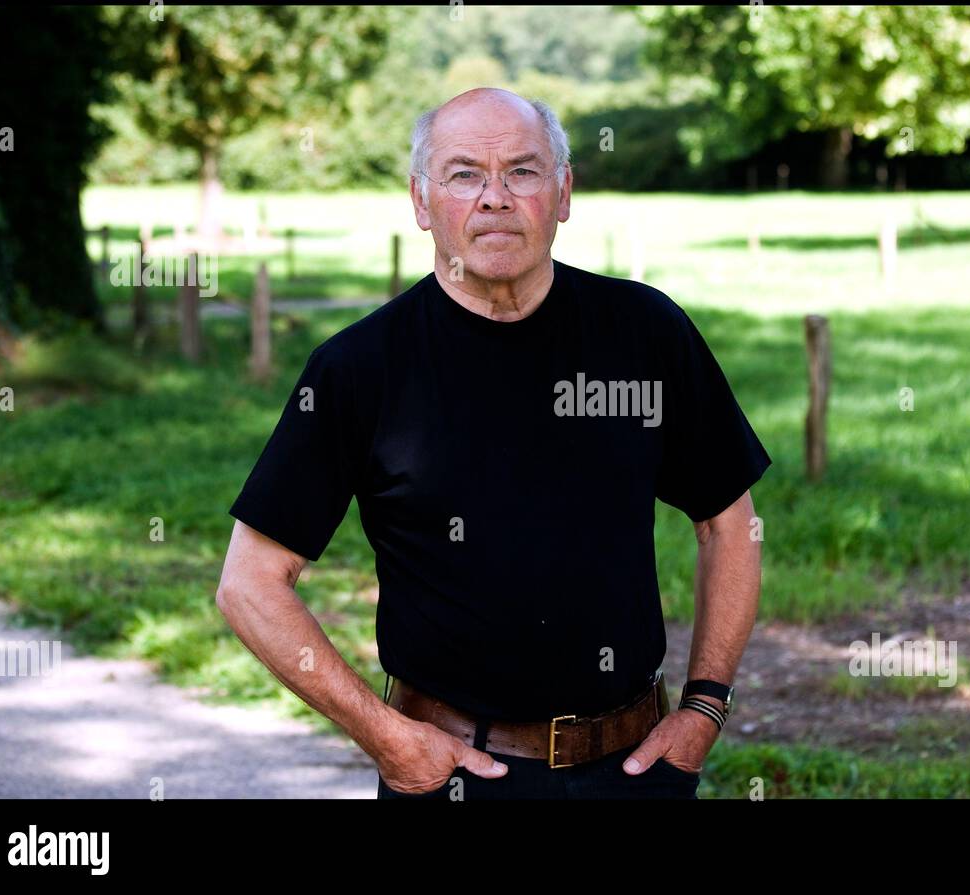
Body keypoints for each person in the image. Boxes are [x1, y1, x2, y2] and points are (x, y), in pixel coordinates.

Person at [215, 87, 772, 799]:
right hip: (452, 777)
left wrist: (703, 707)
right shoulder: (360, 368)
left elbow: (731, 520)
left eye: (523, 170)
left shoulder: (645, 331)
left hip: (635, 772)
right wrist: (386, 737)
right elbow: (251, 582)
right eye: (463, 174)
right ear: (421, 203)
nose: (495, 197)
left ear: (564, 192)